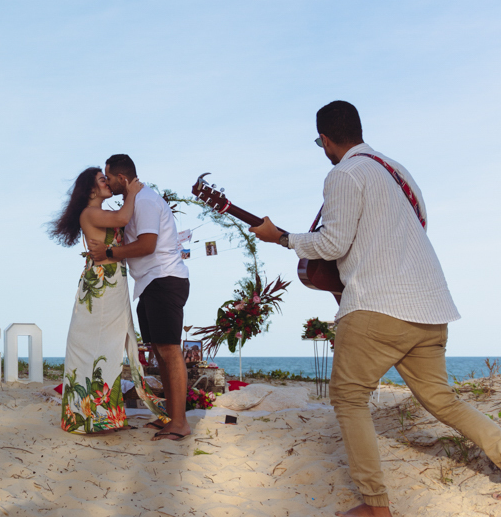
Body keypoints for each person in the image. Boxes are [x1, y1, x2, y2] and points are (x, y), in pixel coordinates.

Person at [250, 100, 501, 516]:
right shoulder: (399, 173)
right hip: (431, 305)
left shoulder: (344, 173)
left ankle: (375, 505)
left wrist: (283, 238)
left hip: (378, 306)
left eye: (320, 142)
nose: (323, 149)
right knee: (442, 399)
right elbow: (412, 229)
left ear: (326, 139)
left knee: (348, 399)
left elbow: (332, 243)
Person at [89, 154, 192, 441]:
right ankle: (171, 417)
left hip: (164, 279)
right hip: (149, 283)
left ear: (122, 178)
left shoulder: (145, 201)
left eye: (108, 177)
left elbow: (147, 245)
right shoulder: (135, 201)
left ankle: (180, 423)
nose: (107, 182)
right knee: (159, 351)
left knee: (170, 351)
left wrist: (108, 253)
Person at [50, 167, 149, 434]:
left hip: (110, 282)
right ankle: (92, 419)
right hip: (102, 285)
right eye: (102, 180)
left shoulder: (99, 213)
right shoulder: (91, 213)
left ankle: (102, 417)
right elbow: (124, 216)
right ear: (91, 189)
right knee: (102, 348)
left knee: (111, 348)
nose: (107, 183)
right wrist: (132, 191)